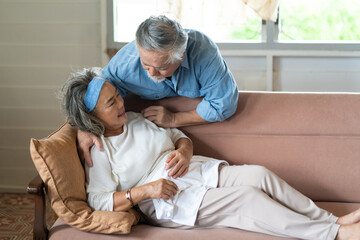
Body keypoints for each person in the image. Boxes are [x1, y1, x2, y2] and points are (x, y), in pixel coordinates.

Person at [61, 67, 360, 240]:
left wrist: (185, 150)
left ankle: (332, 220)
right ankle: (331, 235)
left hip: (193, 170)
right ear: (92, 116)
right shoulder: (99, 150)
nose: (120, 103)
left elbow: (177, 135)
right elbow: (97, 200)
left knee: (258, 174)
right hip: (167, 199)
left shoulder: (137, 118)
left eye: (117, 96)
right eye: (110, 103)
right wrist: (145, 191)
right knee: (247, 198)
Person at [77, 15, 239, 167]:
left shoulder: (203, 52)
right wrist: (83, 127)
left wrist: (174, 118)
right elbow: (94, 96)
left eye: (162, 67)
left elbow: (223, 103)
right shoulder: (123, 64)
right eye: (145, 64)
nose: (151, 73)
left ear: (181, 55)